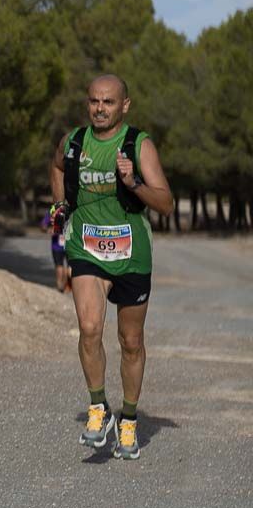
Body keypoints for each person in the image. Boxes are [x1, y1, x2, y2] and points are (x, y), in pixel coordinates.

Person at [49, 74, 172, 460]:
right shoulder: (73, 143)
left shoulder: (138, 144)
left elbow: (166, 203)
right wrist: (60, 213)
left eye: (108, 102)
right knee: (89, 328)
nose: (100, 108)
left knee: (130, 343)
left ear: (124, 106)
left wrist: (132, 181)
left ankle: (129, 419)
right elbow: (56, 170)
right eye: (94, 102)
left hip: (132, 254)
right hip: (86, 248)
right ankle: (98, 408)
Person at [41, 209, 71, 293]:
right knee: (70, 267)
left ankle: (60, 287)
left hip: (57, 245)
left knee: (59, 265)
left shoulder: (53, 210)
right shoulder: (73, 209)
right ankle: (67, 286)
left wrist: (48, 230)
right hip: (70, 244)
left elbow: (43, 225)